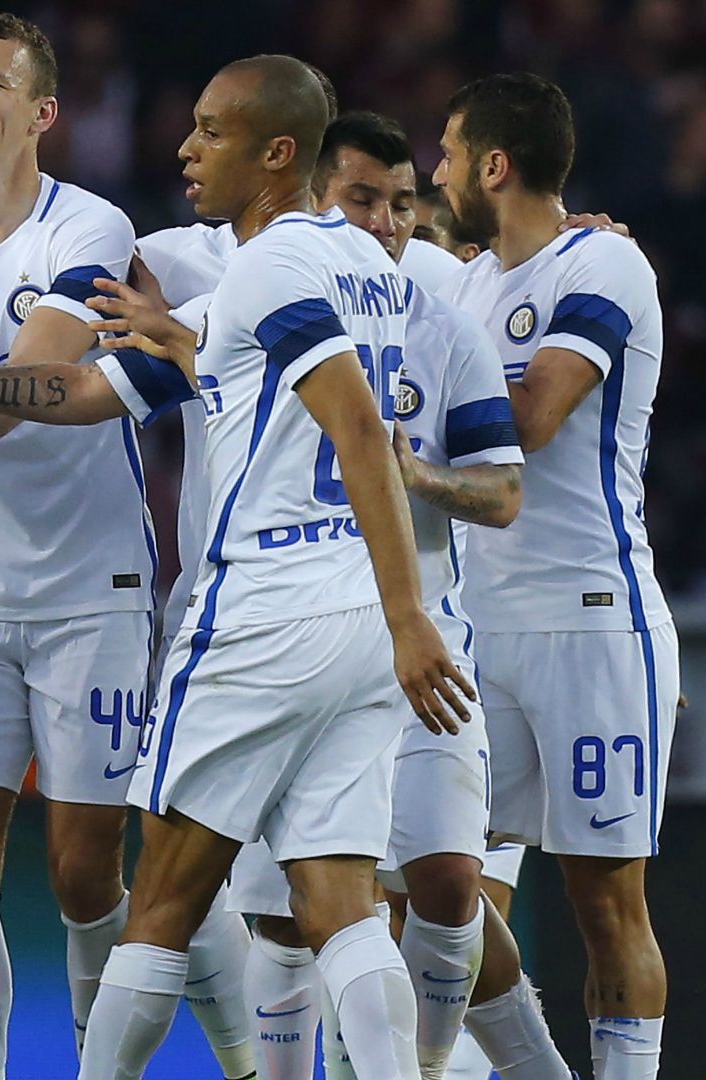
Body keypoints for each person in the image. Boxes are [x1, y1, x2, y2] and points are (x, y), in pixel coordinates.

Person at [0, 14, 254, 1079]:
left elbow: (42, 382)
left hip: (92, 585)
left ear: (43, 112)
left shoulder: (91, 229)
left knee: (86, 873)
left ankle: (131, 1063)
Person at [70, 54, 480, 1080]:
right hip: (352, 622)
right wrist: (181, 335)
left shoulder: (263, 264)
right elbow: (260, 357)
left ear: (277, 153)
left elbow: (352, 424)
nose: (186, 147)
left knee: (164, 895)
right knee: (341, 900)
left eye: (212, 130)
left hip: (267, 606)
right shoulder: (369, 266)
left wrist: (411, 621)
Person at [219, 110, 572, 1080]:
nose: (384, 222)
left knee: (452, 883)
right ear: (314, 198)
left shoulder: (444, 305)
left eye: (403, 203)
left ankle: (439, 1066)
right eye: (362, 198)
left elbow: (502, 488)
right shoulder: (250, 272)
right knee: (283, 911)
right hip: (282, 630)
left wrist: (416, 476)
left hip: (426, 636)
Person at [435, 73, 678, 1080]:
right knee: (445, 893)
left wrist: (394, 415)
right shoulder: (467, 281)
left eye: (446, 156)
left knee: (604, 904)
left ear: (493, 165)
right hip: (476, 629)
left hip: (590, 620)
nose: (436, 174)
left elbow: (530, 423)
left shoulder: (606, 265)